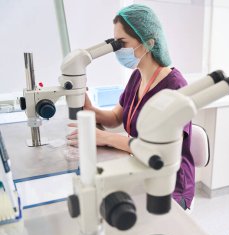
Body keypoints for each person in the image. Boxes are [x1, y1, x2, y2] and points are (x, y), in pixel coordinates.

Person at [67, 4, 194, 211]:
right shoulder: (137, 76)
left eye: (122, 43)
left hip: (171, 183)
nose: (117, 50)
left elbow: (158, 150)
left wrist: (104, 137)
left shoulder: (175, 87)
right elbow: (116, 117)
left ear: (148, 42)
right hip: (142, 166)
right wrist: (89, 107)